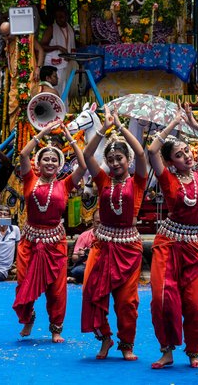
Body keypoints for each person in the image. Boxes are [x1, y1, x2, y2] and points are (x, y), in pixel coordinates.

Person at [147, 103, 198, 369]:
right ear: (170, 163)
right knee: (163, 298)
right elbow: (152, 150)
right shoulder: (167, 178)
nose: (187, 156)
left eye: (187, 151)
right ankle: (167, 350)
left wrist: (194, 125)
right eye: (179, 154)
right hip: (168, 243)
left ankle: (193, 351)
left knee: (195, 304)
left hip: (194, 245)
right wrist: (171, 125)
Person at [81, 106, 147, 361]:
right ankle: (105, 337)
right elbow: (88, 155)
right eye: (111, 160)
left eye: (120, 158)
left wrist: (120, 128)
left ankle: (126, 344)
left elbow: (141, 152)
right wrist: (103, 129)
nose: (116, 163)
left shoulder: (138, 180)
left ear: (127, 160)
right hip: (103, 245)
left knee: (127, 301)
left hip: (129, 246)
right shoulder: (103, 181)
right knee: (91, 291)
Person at [13, 120, 86, 343]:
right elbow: (24, 155)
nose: (50, 162)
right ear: (39, 162)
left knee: (56, 289)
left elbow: (82, 167)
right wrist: (44, 132)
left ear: (59, 164)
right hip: (30, 241)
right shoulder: (29, 179)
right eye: (46, 158)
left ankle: (56, 328)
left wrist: (70, 139)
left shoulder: (64, 185)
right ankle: (28, 318)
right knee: (23, 282)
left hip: (55, 243)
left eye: (55, 159)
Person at [41, 4, 76, 96]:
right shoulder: (51, 29)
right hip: (53, 65)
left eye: (61, 17)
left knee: (65, 89)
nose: (59, 19)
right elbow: (42, 46)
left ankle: (64, 109)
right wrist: (58, 47)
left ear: (66, 16)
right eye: (57, 17)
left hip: (66, 63)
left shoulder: (70, 28)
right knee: (54, 90)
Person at [68, 211, 99, 284]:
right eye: (97, 222)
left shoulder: (110, 235)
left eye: (102, 223)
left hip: (104, 265)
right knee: (78, 271)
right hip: (86, 265)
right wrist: (80, 255)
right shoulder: (84, 236)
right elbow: (74, 258)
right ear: (93, 222)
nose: (100, 225)